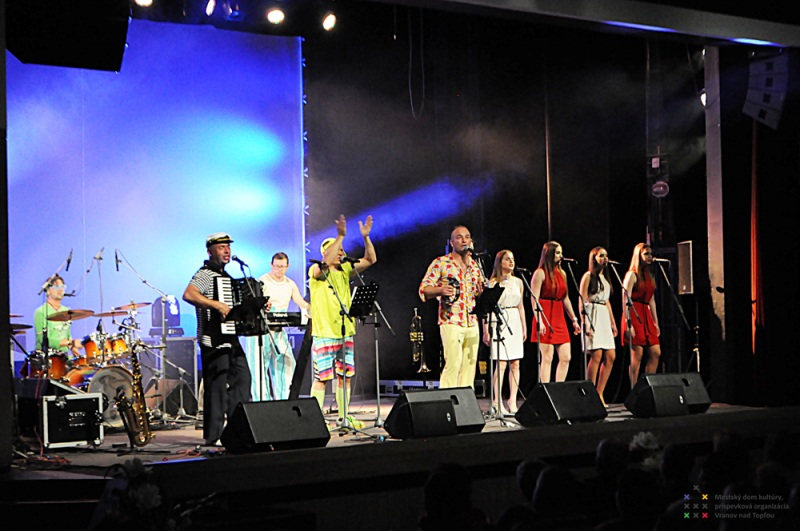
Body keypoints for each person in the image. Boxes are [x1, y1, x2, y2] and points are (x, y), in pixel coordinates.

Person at [183, 232, 265, 446]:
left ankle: (237, 429)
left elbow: (236, 309)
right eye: (221, 247)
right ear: (210, 251)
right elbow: (189, 294)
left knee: (243, 380)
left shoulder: (226, 277)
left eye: (228, 246)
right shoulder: (205, 274)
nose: (227, 250)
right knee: (216, 388)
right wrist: (216, 304)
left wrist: (255, 307)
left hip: (230, 339)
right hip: (213, 339)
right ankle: (213, 436)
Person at [308, 214, 376, 426]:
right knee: (322, 377)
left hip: (345, 331)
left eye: (341, 250)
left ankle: (344, 417)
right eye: (335, 250)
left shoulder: (345, 270)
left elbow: (370, 260)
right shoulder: (316, 270)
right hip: (324, 332)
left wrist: (366, 238)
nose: (340, 253)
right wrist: (340, 236)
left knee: (345, 376)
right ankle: (315, 420)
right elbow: (323, 264)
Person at [419, 225, 485, 389]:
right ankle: (448, 398)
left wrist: (481, 292)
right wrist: (440, 290)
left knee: (469, 366)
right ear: (452, 242)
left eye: (467, 237)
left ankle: (464, 400)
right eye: (459, 237)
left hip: (471, 321)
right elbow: (424, 289)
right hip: (451, 320)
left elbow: (480, 293)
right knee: (453, 363)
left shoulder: (475, 265)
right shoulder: (441, 263)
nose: (464, 241)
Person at [244, 252, 310, 401]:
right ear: (271, 265)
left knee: (286, 364)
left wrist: (312, 309)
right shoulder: (262, 281)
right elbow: (254, 304)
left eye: (282, 267)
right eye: (277, 266)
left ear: (287, 266)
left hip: (279, 330)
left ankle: (284, 401)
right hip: (260, 330)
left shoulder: (290, 284)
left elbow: (300, 302)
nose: (279, 269)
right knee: (258, 369)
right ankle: (262, 404)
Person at [482, 250, 526, 414]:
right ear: (500, 262)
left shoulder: (518, 282)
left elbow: (520, 306)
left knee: (515, 363)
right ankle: (496, 401)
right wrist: (486, 330)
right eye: (507, 259)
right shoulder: (492, 282)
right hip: (498, 320)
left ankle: (512, 400)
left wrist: (524, 326)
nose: (511, 262)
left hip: (514, 320)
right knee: (500, 363)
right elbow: (486, 308)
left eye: (512, 259)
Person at [529, 241, 581, 383]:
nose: (561, 256)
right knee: (547, 357)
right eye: (557, 253)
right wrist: (539, 320)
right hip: (545, 314)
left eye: (561, 253)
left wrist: (574, 319)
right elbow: (534, 299)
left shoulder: (562, 273)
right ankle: (546, 390)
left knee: (566, 356)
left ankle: (559, 388)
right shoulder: (540, 273)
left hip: (559, 317)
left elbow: (565, 298)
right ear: (549, 254)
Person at [579, 246, 617, 404]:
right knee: (597, 355)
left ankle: (599, 392)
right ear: (594, 258)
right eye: (601, 255)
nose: (604, 258)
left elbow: (607, 301)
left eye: (606, 255)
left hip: (604, 316)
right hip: (593, 314)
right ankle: (590, 394)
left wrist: (613, 322)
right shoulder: (588, 276)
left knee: (611, 356)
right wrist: (585, 323)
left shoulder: (605, 278)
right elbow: (582, 300)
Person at [620, 242, 661, 386]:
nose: (650, 256)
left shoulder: (649, 275)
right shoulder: (632, 274)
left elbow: (651, 300)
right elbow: (625, 298)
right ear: (638, 255)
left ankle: (648, 386)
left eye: (650, 254)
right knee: (637, 354)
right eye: (646, 254)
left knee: (656, 352)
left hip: (646, 314)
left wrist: (655, 322)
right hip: (634, 313)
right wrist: (628, 322)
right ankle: (634, 389)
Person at [33, 274, 83, 356]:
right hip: (46, 357)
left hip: (63, 356)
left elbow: (67, 335)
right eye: (56, 287)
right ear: (48, 290)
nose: (60, 290)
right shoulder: (40, 312)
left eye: (62, 287)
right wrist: (71, 342)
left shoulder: (66, 311)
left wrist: (73, 347)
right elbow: (43, 340)